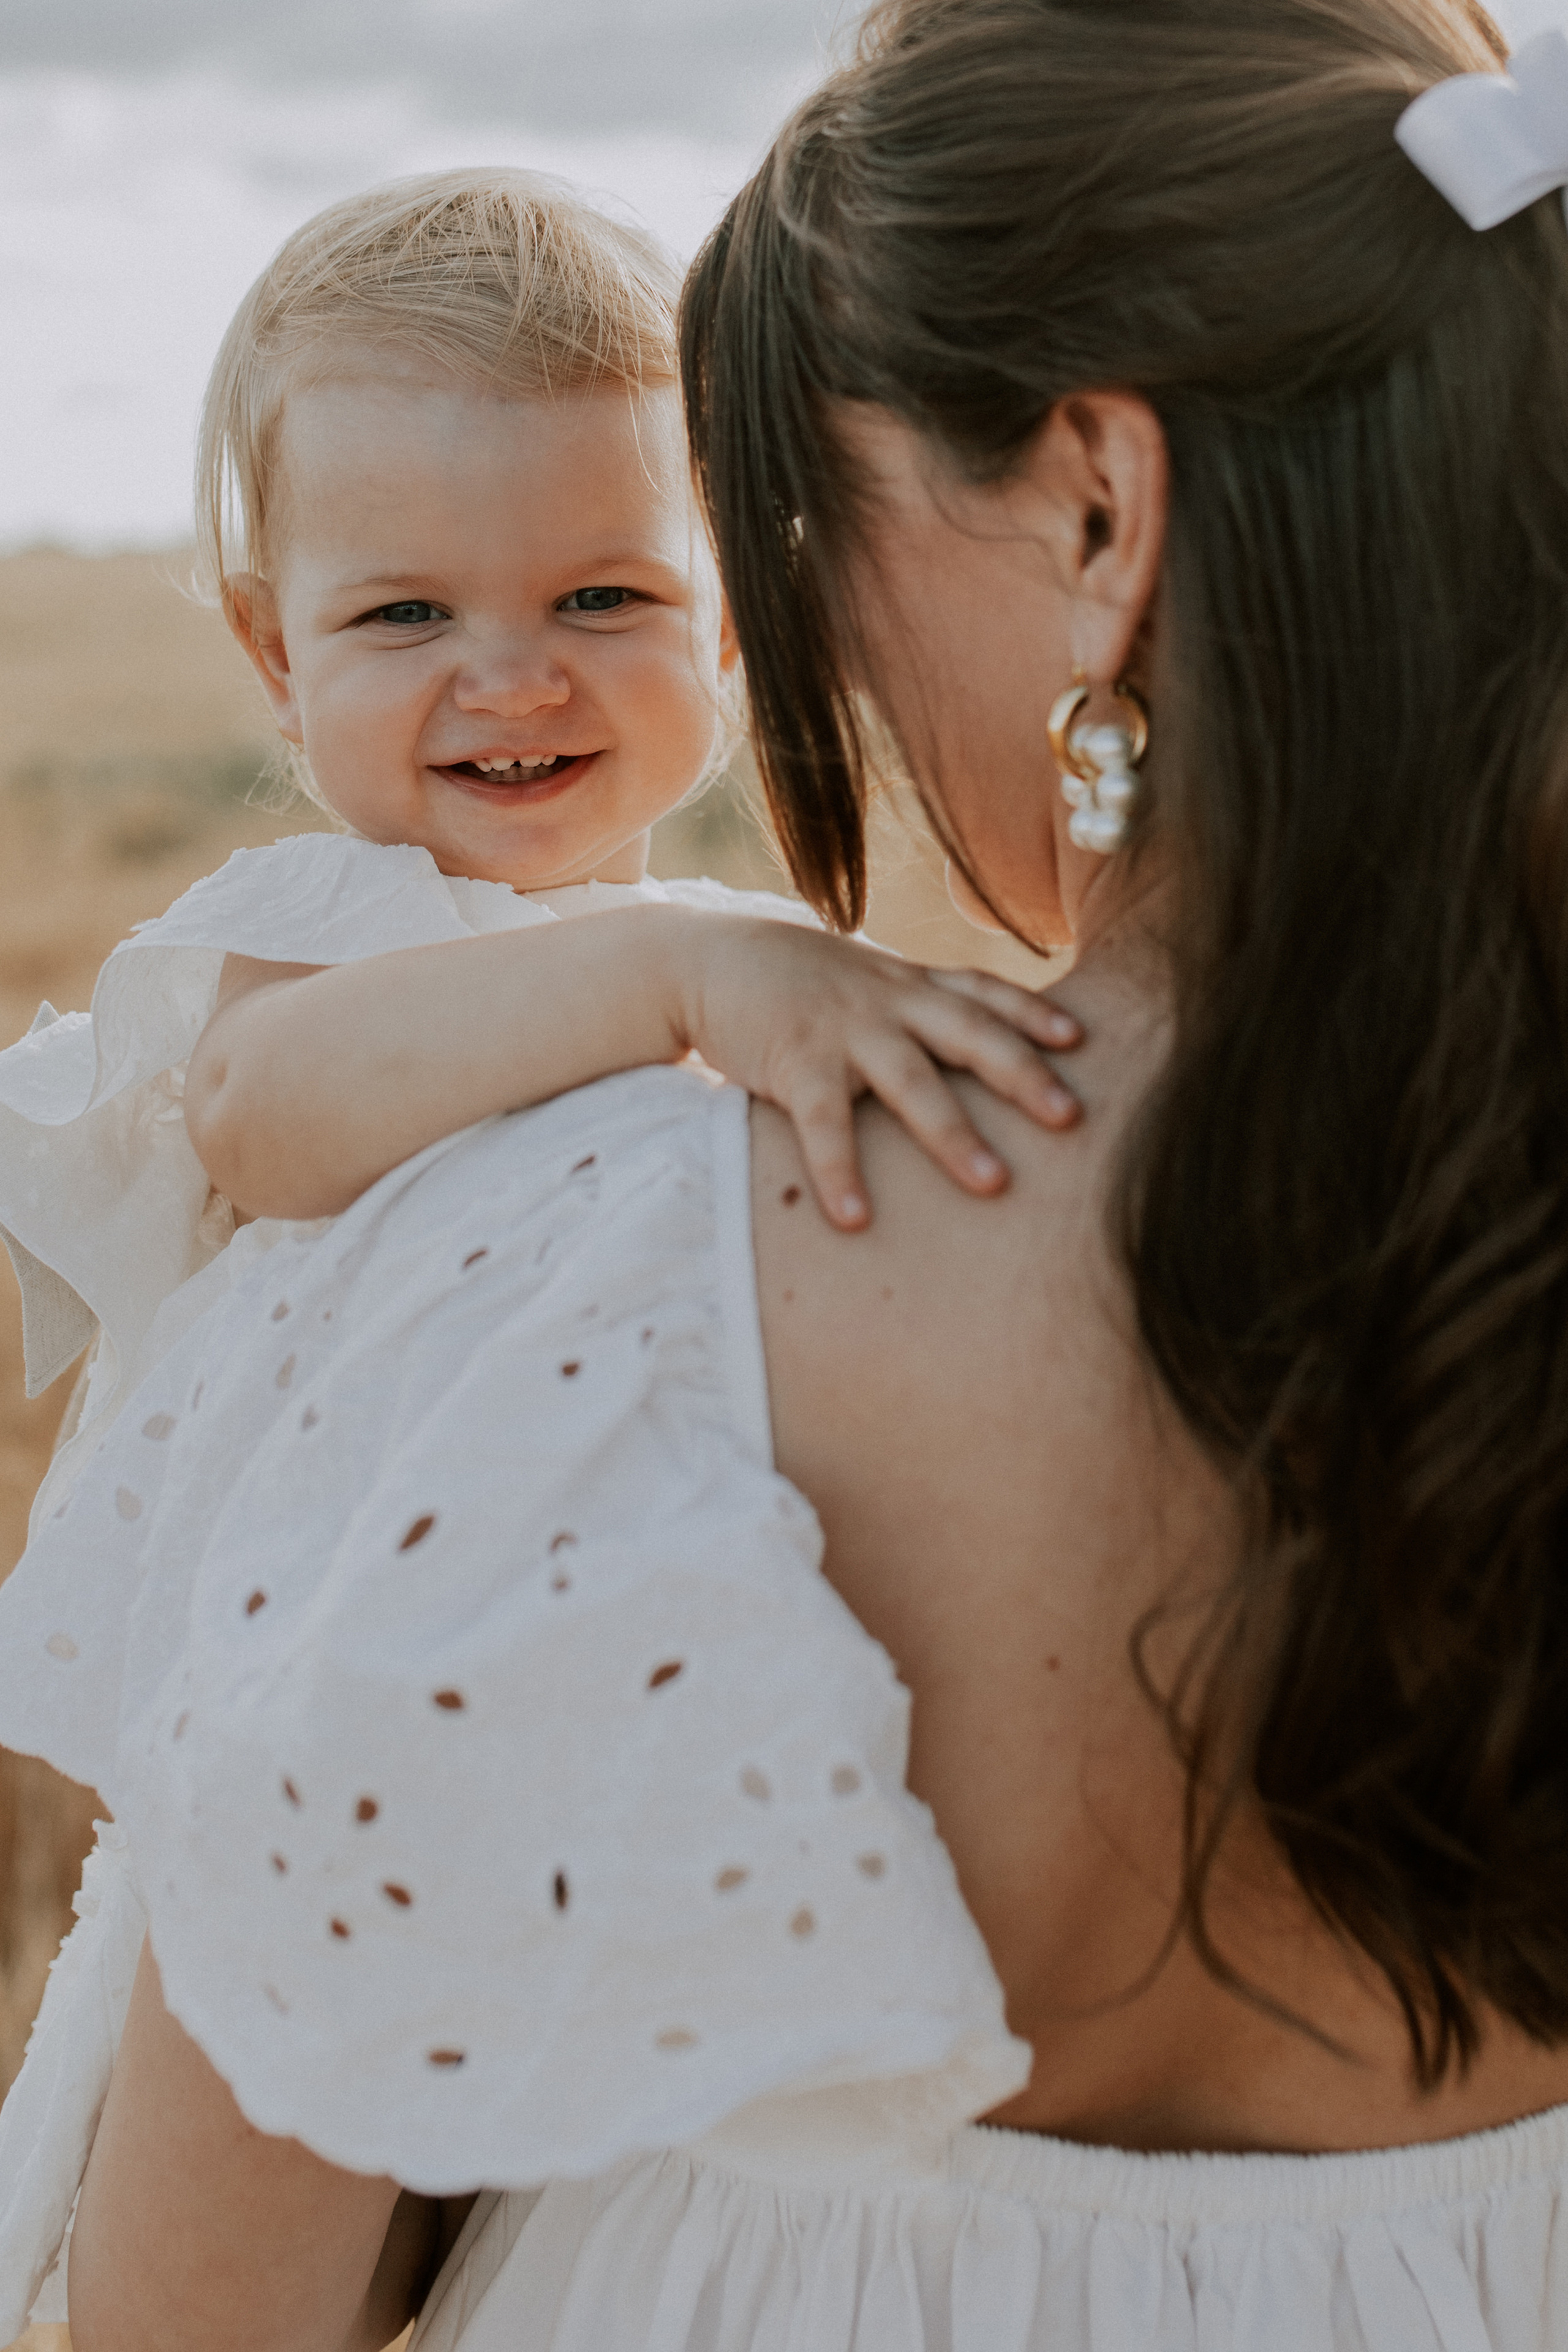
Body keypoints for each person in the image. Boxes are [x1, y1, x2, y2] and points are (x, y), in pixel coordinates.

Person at [15, 1, 1568, 2345]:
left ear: (1098, 512)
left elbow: (204, 2324)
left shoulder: (575, 1277)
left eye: (799, 522)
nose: (820, 631)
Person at [0, 164, 1077, 2340]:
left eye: (603, 597)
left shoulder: (739, 961)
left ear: (733, 623)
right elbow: (271, 1123)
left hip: (576, 1788)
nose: (511, 678)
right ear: (266, 652)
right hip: (305, 1813)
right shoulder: (304, 946)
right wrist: (680, 976)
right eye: (404, 618)